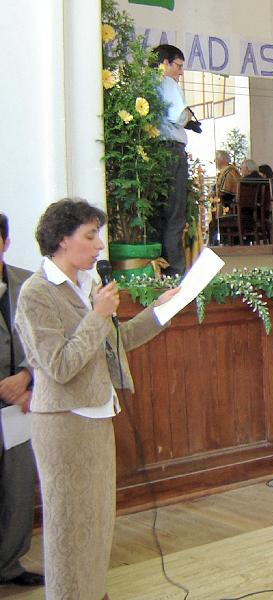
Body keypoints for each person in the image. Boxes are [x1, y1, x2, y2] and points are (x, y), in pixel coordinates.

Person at [14, 199, 180, 599]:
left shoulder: (85, 286)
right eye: (90, 236)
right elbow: (60, 365)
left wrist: (159, 312)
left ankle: (92, 591)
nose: (100, 245)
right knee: (69, 527)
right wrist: (98, 315)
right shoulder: (37, 293)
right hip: (64, 424)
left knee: (97, 522)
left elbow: (114, 344)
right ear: (61, 240)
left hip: (95, 416)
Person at [0, 214, 43, 588]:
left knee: (18, 488)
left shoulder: (27, 284)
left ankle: (9, 565)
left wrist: (27, 378)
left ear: (6, 243)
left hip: (19, 405)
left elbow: (43, 339)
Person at [151, 44, 190, 277]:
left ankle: (157, 269)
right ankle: (175, 273)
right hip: (171, 150)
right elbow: (181, 116)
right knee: (175, 214)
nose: (180, 72)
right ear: (164, 63)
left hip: (152, 152)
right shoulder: (166, 82)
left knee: (157, 215)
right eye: (178, 66)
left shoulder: (144, 85)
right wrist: (189, 118)